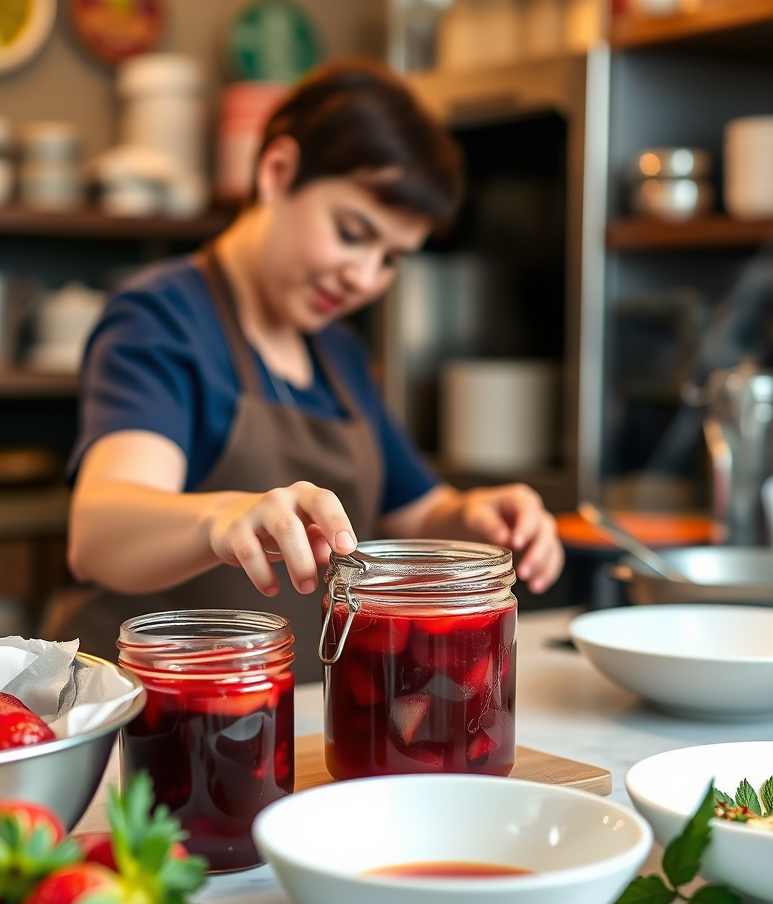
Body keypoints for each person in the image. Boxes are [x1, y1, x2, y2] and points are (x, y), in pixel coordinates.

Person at [53, 58, 564, 679]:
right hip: (147, 712)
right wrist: (223, 517)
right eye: (353, 233)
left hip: (286, 715)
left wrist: (477, 515)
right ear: (277, 172)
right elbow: (100, 531)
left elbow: (419, 512)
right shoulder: (162, 319)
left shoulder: (339, 353)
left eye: (391, 259)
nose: (365, 277)